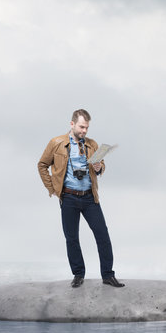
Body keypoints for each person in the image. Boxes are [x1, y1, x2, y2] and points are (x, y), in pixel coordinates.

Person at [37, 109, 124, 288]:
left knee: (103, 235)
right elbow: (42, 165)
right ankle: (78, 274)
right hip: (68, 197)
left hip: (90, 197)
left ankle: (108, 275)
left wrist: (99, 167)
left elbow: (101, 167)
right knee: (72, 238)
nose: (84, 131)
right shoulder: (56, 143)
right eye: (81, 127)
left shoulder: (92, 144)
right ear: (72, 124)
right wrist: (52, 188)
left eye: (87, 128)